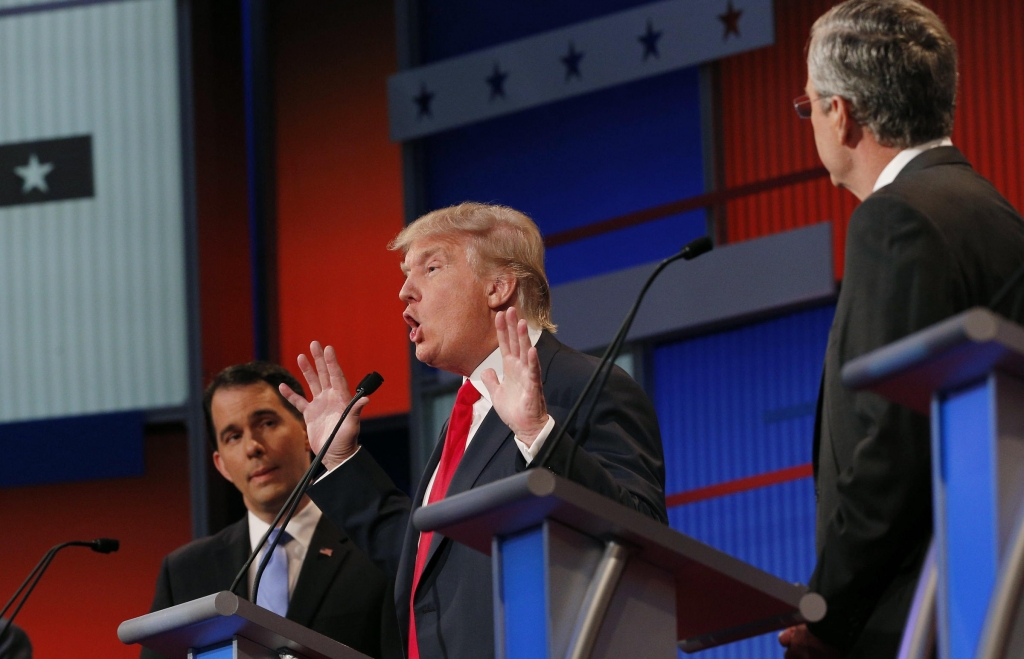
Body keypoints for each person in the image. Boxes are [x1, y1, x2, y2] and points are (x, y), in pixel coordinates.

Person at [282, 202, 666, 659]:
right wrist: (341, 459)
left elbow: (641, 532)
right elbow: (427, 565)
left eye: (431, 267)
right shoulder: (463, 416)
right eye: (405, 275)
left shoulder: (584, 385)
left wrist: (539, 434)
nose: (405, 292)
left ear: (498, 287)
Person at [778, 2, 1024, 657]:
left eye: (807, 108)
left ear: (841, 112)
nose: (813, 125)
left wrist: (827, 611)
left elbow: (890, 447)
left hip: (918, 617)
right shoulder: (997, 214)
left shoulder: (895, 219)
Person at [142, 362, 402, 659]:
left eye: (266, 423)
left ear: (307, 431)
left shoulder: (373, 546)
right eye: (233, 437)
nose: (253, 446)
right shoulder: (185, 572)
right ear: (221, 465)